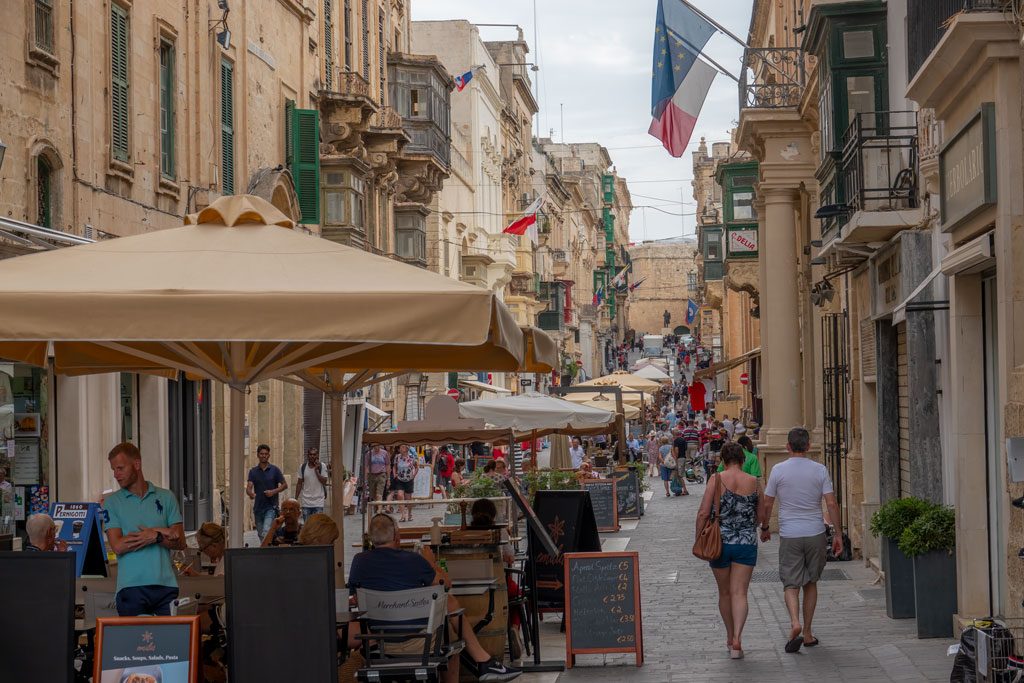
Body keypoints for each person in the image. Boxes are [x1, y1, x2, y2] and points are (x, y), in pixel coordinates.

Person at [347, 513, 521, 682]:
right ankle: (483, 662)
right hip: (420, 643)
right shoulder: (414, 560)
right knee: (450, 627)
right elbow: (445, 584)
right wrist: (430, 561)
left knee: (447, 622)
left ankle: (484, 662)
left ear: (371, 538)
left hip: (377, 643)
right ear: (397, 537)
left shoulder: (359, 562)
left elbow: (354, 597)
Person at [761, 427, 843, 653]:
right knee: (810, 582)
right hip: (815, 531)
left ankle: (794, 622)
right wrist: (837, 533)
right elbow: (831, 503)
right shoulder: (820, 470)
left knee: (791, 583)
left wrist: (765, 527)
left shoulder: (778, 470)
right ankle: (807, 632)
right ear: (807, 447)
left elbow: (767, 503)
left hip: (790, 534)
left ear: (788, 446)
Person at [102, 441, 186, 616]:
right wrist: (162, 531)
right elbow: (117, 545)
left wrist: (155, 536)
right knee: (134, 643)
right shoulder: (112, 502)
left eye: (120, 468)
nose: (116, 475)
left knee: (169, 642)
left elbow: (180, 542)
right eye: (114, 470)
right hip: (130, 587)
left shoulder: (166, 497)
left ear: (137, 465)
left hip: (166, 585)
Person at [698, 442, 765, 660]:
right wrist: (760, 527)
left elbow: (703, 512)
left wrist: (698, 537)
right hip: (746, 542)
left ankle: (728, 636)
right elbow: (761, 515)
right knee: (740, 593)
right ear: (743, 460)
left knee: (724, 592)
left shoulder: (716, 479)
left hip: (720, 542)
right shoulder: (754, 482)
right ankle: (738, 638)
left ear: (722, 461)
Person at [246, 444, 287, 541]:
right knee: (261, 534)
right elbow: (249, 487)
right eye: (261, 454)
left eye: (266, 454)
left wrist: (273, 491)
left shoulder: (275, 470)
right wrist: (251, 494)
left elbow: (284, 485)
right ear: (258, 455)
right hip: (258, 508)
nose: (263, 456)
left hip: (271, 507)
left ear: (269, 455)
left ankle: (266, 553)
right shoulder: (253, 471)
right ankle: (269, 550)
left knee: (266, 532)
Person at [294, 447, 329, 521]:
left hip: (318, 502)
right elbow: (299, 483)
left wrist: (316, 470)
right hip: (306, 502)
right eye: (310, 454)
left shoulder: (322, 466)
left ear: (317, 456)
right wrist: (295, 499)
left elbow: (324, 481)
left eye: (314, 454)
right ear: (308, 455)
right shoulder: (302, 467)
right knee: (307, 527)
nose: (312, 456)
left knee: (317, 527)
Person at [391, 445, 418, 522]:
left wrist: (414, 475)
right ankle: (403, 515)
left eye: (402, 447)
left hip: (409, 479)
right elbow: (394, 466)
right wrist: (394, 474)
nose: (400, 449)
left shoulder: (411, 457)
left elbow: (416, 467)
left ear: (406, 448)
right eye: (400, 447)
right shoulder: (397, 457)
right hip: (400, 479)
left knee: (408, 499)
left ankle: (409, 514)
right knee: (399, 495)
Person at [671, 429, 691, 495]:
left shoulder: (676, 441)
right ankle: (679, 490)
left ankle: (685, 490)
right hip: (683, 457)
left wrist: (676, 458)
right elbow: (686, 449)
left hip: (679, 458)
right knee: (679, 475)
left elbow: (677, 450)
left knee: (679, 475)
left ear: (674, 435)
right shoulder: (683, 440)